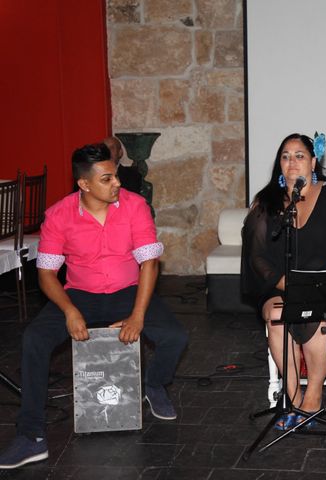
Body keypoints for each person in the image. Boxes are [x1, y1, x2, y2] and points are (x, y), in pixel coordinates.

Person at [0, 144, 188, 469]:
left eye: (115, 175)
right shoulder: (59, 215)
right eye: (107, 178)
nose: (117, 183)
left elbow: (149, 264)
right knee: (34, 340)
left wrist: (137, 316)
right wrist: (70, 310)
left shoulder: (135, 206)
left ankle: (154, 385)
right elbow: (46, 274)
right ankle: (31, 437)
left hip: (128, 291)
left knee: (175, 336)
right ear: (84, 184)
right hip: (80, 296)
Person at [241, 133, 326, 430]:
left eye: (300, 155)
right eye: (286, 156)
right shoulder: (265, 202)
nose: (292, 162)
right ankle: (294, 398)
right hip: (283, 286)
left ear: (313, 161)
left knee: (316, 318)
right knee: (277, 315)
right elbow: (257, 256)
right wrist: (290, 285)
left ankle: (312, 399)